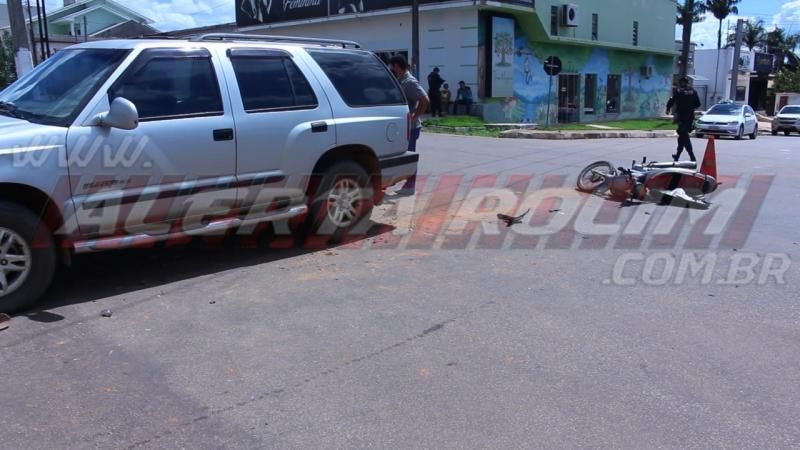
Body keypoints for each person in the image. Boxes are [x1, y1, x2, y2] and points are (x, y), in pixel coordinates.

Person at [389, 55, 429, 196]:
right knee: (403, 157)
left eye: (392, 66)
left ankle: (410, 185)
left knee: (409, 157)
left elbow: (424, 100)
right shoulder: (401, 80)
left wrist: (415, 116)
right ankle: (404, 182)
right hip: (404, 126)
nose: (391, 69)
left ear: (398, 66)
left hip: (411, 127)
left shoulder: (410, 82)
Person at [666, 76, 702, 162]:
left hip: (681, 117)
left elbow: (671, 100)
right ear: (687, 83)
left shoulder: (678, 91)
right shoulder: (693, 91)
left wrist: (668, 108)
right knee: (682, 137)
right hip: (690, 117)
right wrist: (690, 107)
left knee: (684, 136)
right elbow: (698, 104)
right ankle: (677, 156)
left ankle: (692, 157)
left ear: (681, 83)